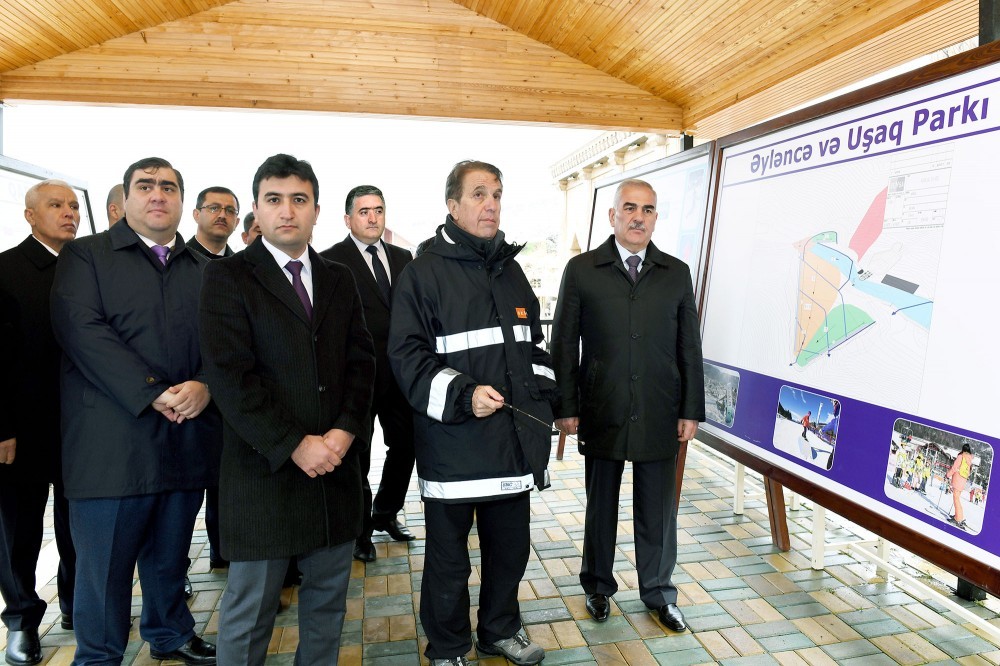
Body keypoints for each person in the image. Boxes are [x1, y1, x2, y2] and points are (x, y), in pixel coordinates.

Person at [199, 153, 375, 665]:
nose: (287, 210)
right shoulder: (227, 276)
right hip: (264, 475)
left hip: (334, 473)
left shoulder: (340, 277)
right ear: (256, 209)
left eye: (299, 199)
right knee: (250, 613)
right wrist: (295, 444)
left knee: (327, 608)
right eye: (273, 199)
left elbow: (362, 362)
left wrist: (345, 431)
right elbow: (231, 378)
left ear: (316, 209)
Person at [50, 157, 221, 666]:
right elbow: (82, 330)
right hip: (111, 445)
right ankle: (99, 655)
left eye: (168, 186)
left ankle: (170, 633)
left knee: (170, 554)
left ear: (182, 201)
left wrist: (206, 385)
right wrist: (153, 392)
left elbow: (226, 341)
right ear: (125, 199)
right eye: (145, 186)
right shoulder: (86, 256)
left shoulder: (205, 269)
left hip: (184, 437)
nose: (157, 194)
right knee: (105, 568)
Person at [388, 161, 553, 666]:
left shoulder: (511, 270)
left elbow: (534, 348)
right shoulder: (422, 274)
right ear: (452, 205)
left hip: (511, 446)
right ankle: (449, 646)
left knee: (511, 549)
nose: (491, 204)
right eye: (479, 194)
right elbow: (407, 358)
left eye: (497, 194)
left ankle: (500, 629)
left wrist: (547, 400)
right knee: (448, 560)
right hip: (453, 447)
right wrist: (465, 395)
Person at [551, 178, 704, 633]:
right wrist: (565, 405)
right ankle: (598, 586)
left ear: (656, 218)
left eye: (648, 210)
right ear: (613, 215)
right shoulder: (582, 270)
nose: (639, 217)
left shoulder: (675, 273)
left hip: (660, 408)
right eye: (631, 208)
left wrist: (690, 409)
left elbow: (689, 347)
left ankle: (659, 593)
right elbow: (564, 343)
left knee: (658, 510)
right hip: (603, 406)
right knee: (601, 505)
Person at [0, 181, 80, 666]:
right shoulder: (4, 269)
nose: (68, 212)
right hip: (20, 430)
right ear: (30, 215)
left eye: (73, 205)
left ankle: (76, 605)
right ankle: (22, 622)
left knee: (79, 525)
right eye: (56, 205)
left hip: (81, 426)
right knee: (19, 530)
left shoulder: (88, 268)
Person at [321, 185, 416, 563]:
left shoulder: (403, 257)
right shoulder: (331, 260)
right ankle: (359, 532)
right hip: (356, 376)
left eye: (378, 210)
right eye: (364, 211)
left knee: (407, 445)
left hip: (400, 374)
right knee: (356, 454)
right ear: (348, 219)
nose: (372, 217)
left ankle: (386, 513)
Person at [189, 187, 240, 258]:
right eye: (214, 208)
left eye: (230, 211)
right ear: (197, 215)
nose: (222, 215)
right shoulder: (175, 259)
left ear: (236, 223)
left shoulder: (241, 264)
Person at [947, 444, 974, 529]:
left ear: (963, 449)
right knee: (957, 499)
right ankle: (959, 516)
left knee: (956, 499)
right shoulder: (969, 459)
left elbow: (954, 468)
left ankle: (957, 518)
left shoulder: (961, 456)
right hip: (963, 481)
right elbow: (969, 472)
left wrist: (947, 475)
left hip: (957, 479)